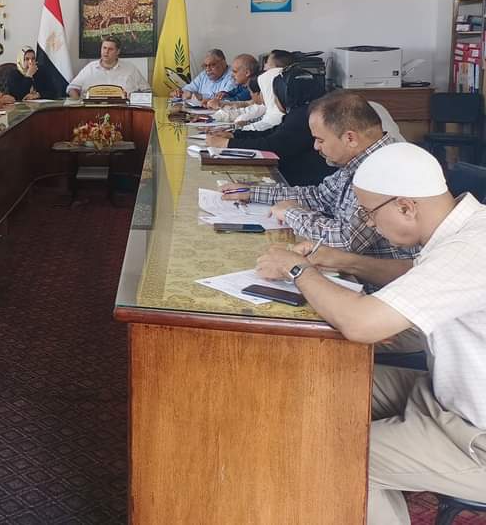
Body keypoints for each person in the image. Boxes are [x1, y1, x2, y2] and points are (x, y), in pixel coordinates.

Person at [255, 142, 486, 525]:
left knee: (336, 454)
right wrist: (340, 259)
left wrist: (299, 270)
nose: (368, 224)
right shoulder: (465, 226)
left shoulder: (471, 249)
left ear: (406, 207)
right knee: (318, 380)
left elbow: (361, 324)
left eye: (369, 213)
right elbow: (417, 275)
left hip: (474, 437)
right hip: (444, 397)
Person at [224, 90, 419, 290]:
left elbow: (347, 240)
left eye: (320, 139)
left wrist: (291, 213)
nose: (316, 146)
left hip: (381, 290)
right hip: (353, 276)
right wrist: (253, 192)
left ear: (350, 138)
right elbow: (319, 196)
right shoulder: (360, 160)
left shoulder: (382, 169)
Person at [207, 67, 334, 187]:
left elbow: (273, 145)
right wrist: (234, 135)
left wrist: (227, 144)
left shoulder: (303, 116)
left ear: (285, 94)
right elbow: (272, 133)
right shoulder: (302, 111)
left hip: (299, 182)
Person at [67, 36, 149, 98]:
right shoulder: (90, 68)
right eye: (104, 48)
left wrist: (135, 98)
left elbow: (147, 91)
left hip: (123, 110)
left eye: (110, 49)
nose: (106, 52)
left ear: (118, 52)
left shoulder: (130, 69)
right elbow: (72, 88)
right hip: (93, 110)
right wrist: (78, 104)